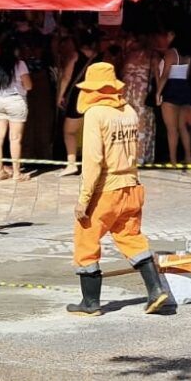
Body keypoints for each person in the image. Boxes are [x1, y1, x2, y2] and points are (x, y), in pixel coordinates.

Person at [68, 62, 169, 317]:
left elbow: (93, 160)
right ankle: (156, 290)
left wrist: (84, 199)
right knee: (132, 238)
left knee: (86, 239)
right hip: (131, 187)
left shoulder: (95, 114)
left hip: (106, 190)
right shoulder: (129, 112)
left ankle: (90, 302)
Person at [0, 38, 32, 181]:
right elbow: (28, 86)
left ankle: (0, 172)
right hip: (16, 102)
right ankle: (17, 173)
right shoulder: (20, 64)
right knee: (15, 139)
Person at [57, 30, 99, 176]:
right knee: (93, 132)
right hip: (96, 96)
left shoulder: (75, 55)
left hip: (78, 96)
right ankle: (94, 164)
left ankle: (72, 164)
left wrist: (59, 96)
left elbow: (66, 77)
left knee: (69, 131)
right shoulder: (101, 56)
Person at [155, 30, 191, 166]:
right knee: (182, 127)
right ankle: (188, 157)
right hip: (184, 87)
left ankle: (173, 161)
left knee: (171, 129)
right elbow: (187, 75)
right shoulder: (187, 55)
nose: (167, 37)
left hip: (171, 88)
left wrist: (158, 93)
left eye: (170, 35)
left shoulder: (171, 53)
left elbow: (165, 74)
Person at [121, 33, 157, 164]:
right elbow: (157, 76)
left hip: (130, 92)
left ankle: (131, 155)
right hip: (141, 93)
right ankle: (141, 156)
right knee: (142, 123)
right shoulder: (153, 56)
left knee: (131, 123)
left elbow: (122, 73)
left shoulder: (128, 56)